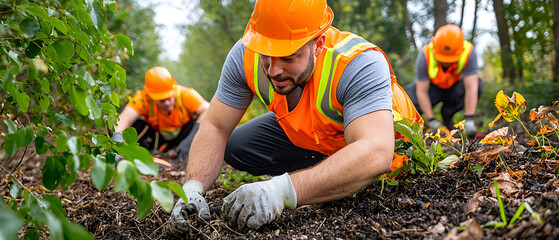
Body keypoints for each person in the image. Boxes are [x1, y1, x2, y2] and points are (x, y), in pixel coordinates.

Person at [167, 0, 422, 234]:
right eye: (266, 55)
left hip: (389, 147)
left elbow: (376, 151)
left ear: (318, 45)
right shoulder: (247, 52)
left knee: (366, 162)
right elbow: (215, 124)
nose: (274, 70)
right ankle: (330, 174)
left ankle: (337, 175)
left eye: (288, 57)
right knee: (239, 146)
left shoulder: (357, 62)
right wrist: (192, 188)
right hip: (319, 137)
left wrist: (282, 191)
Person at [111, 66, 209, 160]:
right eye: (161, 100)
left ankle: (182, 151)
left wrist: (190, 141)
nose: (167, 103)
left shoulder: (186, 95)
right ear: (150, 96)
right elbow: (124, 118)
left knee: (199, 121)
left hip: (183, 137)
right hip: (157, 137)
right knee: (138, 124)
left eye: (169, 98)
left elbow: (208, 111)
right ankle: (136, 154)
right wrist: (118, 139)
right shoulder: (143, 99)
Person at [404, 24, 482, 135]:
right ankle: (413, 122)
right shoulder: (426, 54)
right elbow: (422, 91)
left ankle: (447, 115)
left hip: (454, 89)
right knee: (408, 97)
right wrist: (432, 120)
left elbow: (471, 87)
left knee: (478, 85)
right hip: (433, 89)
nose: (446, 62)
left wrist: (469, 119)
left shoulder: (468, 52)